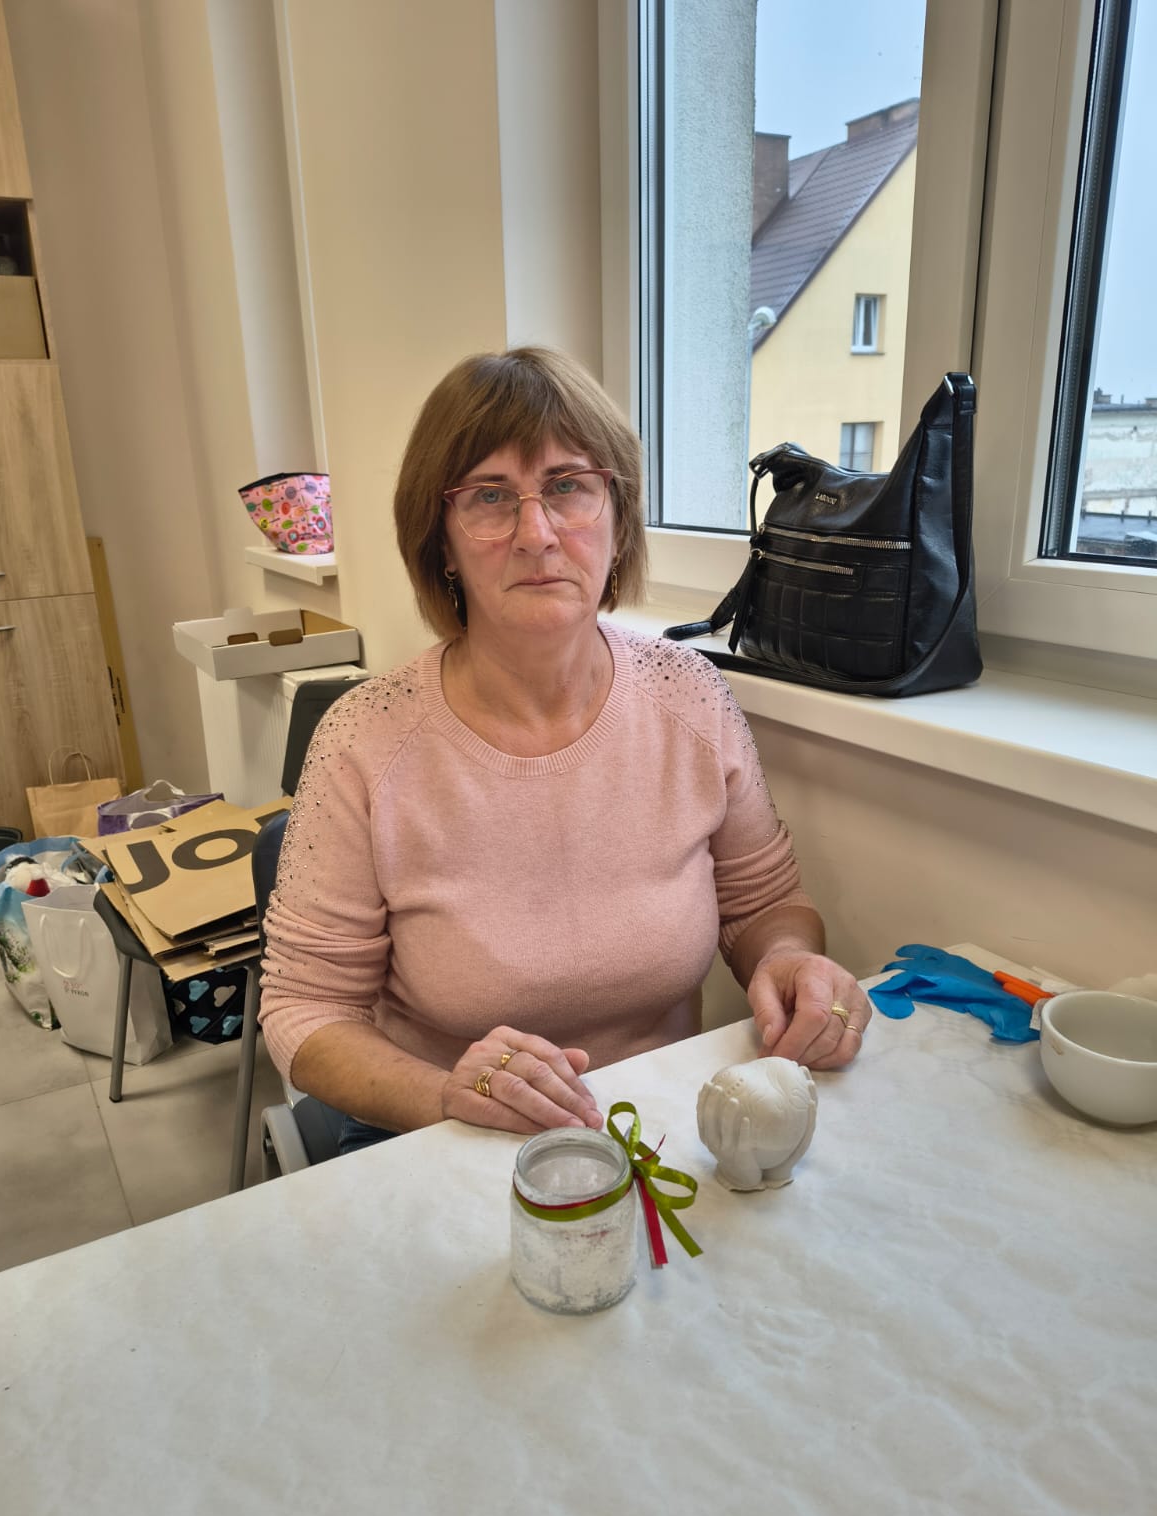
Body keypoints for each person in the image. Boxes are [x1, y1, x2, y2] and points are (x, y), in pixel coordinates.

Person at [259, 347, 869, 1150]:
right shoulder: (363, 741)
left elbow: (763, 903)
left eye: (568, 487)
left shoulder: (691, 696)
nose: (536, 534)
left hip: (658, 1129)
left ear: (617, 521)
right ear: (440, 542)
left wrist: (788, 960)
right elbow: (304, 1010)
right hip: (445, 1139)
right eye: (489, 497)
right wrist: (446, 1095)